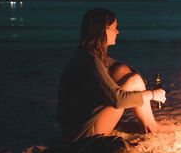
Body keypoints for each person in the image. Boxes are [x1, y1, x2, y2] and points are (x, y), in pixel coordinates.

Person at [57, 8, 174, 143]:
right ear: (103, 30)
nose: (117, 32)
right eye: (114, 28)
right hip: (83, 135)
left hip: (76, 126)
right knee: (134, 80)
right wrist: (153, 94)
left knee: (122, 70)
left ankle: (149, 123)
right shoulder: (90, 61)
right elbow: (118, 100)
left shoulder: (88, 54)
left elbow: (121, 68)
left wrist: (139, 82)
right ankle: (151, 127)